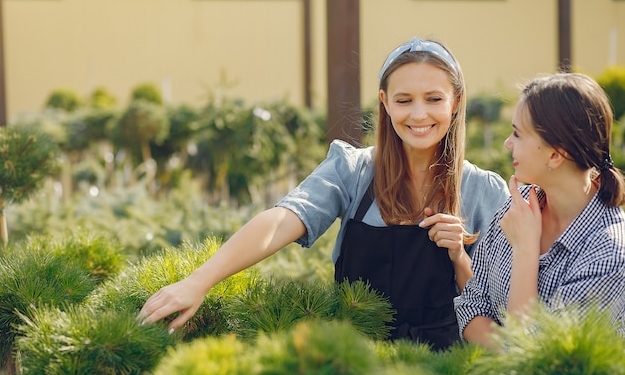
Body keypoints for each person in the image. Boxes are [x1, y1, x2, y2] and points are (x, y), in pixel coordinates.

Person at [139, 37, 509, 350]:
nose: (418, 114)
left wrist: (459, 256)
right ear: (383, 101)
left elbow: (497, 306)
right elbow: (283, 218)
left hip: (447, 362)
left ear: (456, 101)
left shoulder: (484, 190)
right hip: (352, 357)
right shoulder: (352, 171)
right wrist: (197, 282)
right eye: (403, 100)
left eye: (433, 99)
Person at [454, 72, 625, 349]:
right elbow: (470, 305)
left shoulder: (610, 253)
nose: (507, 143)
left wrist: (525, 250)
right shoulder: (517, 206)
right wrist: (508, 351)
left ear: (555, 155)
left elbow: (536, 358)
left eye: (518, 134)